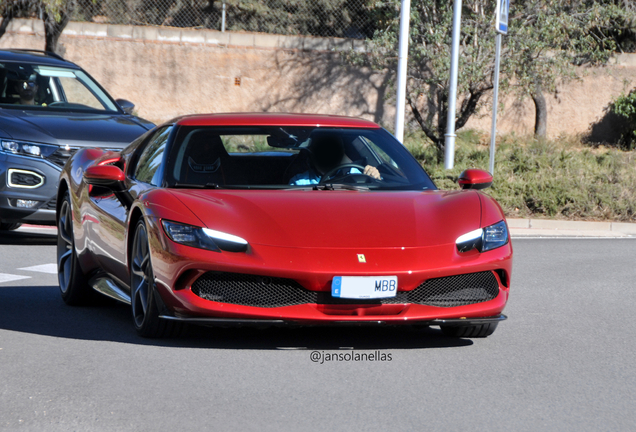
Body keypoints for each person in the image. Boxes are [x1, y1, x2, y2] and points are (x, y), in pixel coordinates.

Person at [289, 133, 381, 185]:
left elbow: (374, 197)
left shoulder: (353, 173)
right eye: (322, 150)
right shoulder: (299, 182)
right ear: (312, 154)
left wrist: (375, 177)